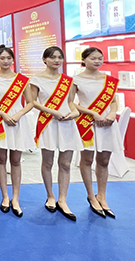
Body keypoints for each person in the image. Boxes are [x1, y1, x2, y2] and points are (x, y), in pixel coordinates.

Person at [30, 46, 82, 222]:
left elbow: (71, 102)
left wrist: (75, 112)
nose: (57, 60)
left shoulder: (68, 81)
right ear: (44, 59)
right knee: (48, 162)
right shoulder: (36, 79)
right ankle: (50, 196)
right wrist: (51, 111)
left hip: (67, 122)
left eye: (60, 57)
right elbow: (33, 102)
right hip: (48, 122)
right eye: (52, 57)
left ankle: (63, 200)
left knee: (65, 163)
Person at [0, 44, 34, 218]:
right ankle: (5, 196)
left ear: (13, 60)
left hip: (18, 121)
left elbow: (31, 102)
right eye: (2, 58)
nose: (5, 61)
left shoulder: (22, 79)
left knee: (16, 160)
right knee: (1, 159)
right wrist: (2, 114)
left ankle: (16, 198)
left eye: (8, 58)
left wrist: (18, 114)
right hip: (0, 121)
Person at [72, 47, 123, 219]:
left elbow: (113, 101)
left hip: (107, 122)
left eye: (100, 58)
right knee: (87, 160)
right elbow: (71, 103)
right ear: (83, 60)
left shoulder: (108, 80)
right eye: (93, 58)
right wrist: (92, 113)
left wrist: (112, 113)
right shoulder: (76, 80)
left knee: (104, 160)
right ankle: (91, 195)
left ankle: (102, 196)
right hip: (87, 123)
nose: (97, 61)